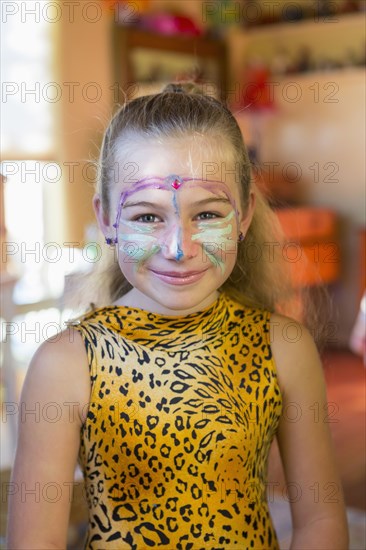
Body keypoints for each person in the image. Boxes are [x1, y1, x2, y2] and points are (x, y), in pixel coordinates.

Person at [7, 83, 348, 549]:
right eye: (147, 217)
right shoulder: (66, 364)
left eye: (207, 215)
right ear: (107, 219)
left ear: (244, 214)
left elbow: (320, 522)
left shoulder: (283, 347)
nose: (178, 248)